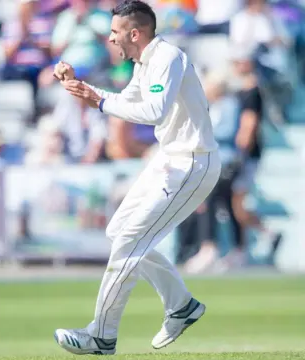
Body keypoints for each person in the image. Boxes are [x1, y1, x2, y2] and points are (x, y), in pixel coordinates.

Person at [51, 0, 222, 354]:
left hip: (191, 163)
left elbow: (154, 112)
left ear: (134, 33)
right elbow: (125, 100)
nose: (110, 40)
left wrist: (97, 102)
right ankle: (182, 305)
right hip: (169, 159)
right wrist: (84, 90)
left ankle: (101, 335)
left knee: (130, 241)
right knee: (119, 233)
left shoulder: (166, 57)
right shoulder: (144, 63)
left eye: (115, 33)